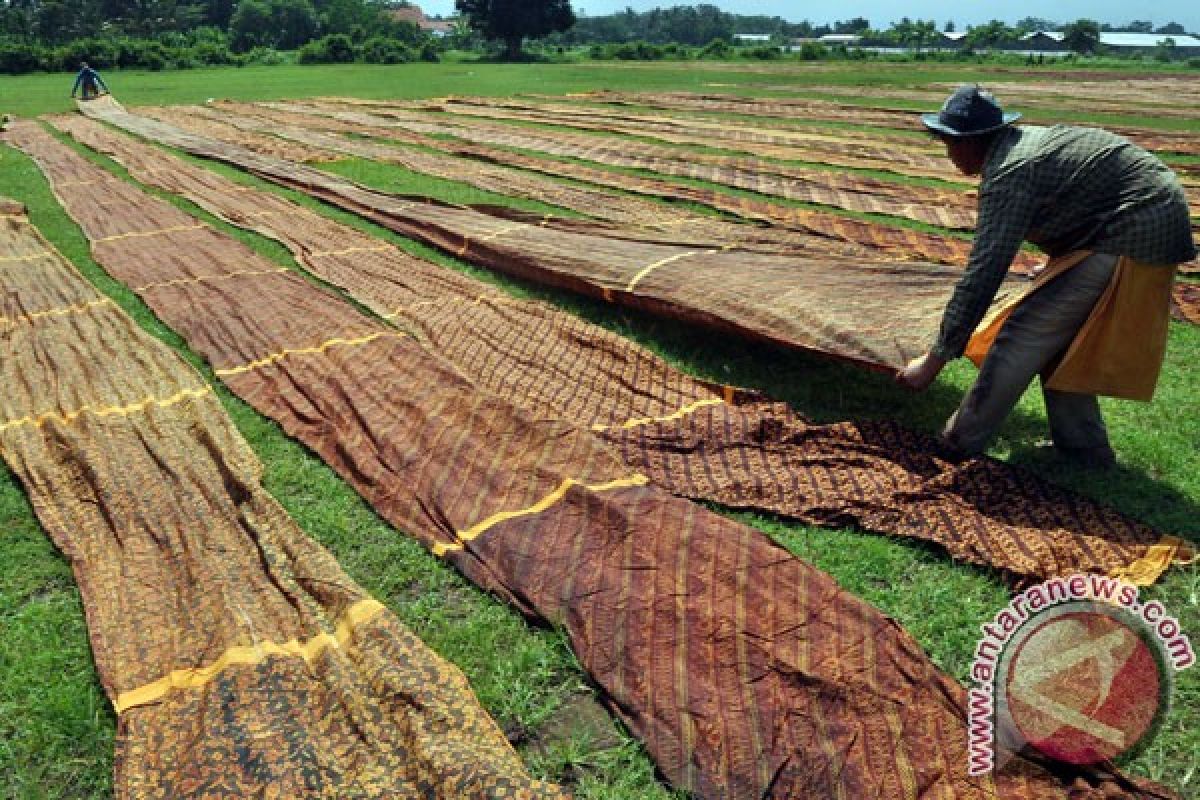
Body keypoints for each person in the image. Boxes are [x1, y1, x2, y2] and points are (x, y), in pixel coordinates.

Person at [896, 84, 1196, 467]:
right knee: (1061, 340)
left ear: (973, 141)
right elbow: (1081, 197)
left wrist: (934, 360)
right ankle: (1084, 449)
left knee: (1022, 334)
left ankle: (957, 442)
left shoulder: (1010, 171)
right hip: (1140, 219)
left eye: (950, 143)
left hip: (1134, 230)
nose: (949, 153)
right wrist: (1064, 261)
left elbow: (984, 272)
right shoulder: (1018, 148)